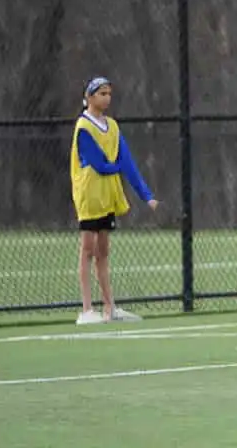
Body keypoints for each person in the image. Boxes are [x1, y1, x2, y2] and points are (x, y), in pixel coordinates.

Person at [69, 77, 159, 324]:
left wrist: (146, 195)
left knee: (103, 251)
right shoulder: (83, 126)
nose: (106, 98)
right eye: (101, 93)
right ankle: (87, 309)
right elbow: (98, 163)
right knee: (87, 249)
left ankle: (110, 307)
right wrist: (117, 166)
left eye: (109, 93)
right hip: (90, 194)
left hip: (107, 195)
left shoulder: (112, 126)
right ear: (89, 97)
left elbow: (126, 162)